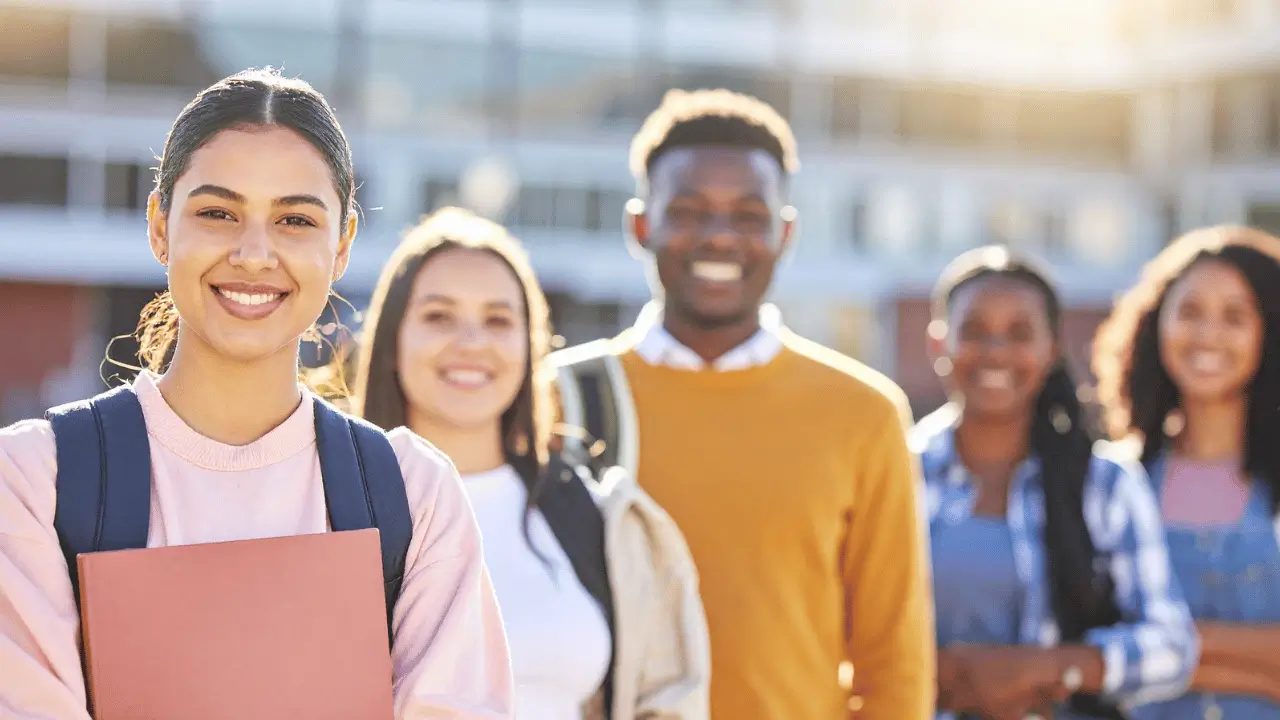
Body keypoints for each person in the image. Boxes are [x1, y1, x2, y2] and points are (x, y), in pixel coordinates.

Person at [0, 69, 513, 719]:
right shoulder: (34, 481)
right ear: (160, 225)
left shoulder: (413, 493)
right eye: (218, 213)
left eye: (295, 220)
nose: (253, 252)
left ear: (344, 243)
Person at [549, 88, 934, 720]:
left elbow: (895, 664)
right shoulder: (558, 396)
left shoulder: (865, 412)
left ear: (786, 233)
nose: (720, 237)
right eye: (690, 211)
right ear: (640, 226)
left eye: (749, 215)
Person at [349, 206, 710, 720]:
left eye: (498, 320)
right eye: (439, 317)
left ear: (530, 345)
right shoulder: (325, 502)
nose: (471, 342)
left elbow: (667, 701)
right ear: (390, 342)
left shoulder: (598, 516)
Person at [915, 245, 1198, 720]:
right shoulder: (894, 473)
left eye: (1019, 333)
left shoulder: (1105, 484)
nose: (996, 351)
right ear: (938, 343)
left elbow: (1172, 646)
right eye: (974, 331)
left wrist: (1047, 669)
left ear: (1050, 350)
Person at [1092, 226, 1280, 718]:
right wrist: (1263, 669)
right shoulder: (1113, 481)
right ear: (1157, 325)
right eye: (1190, 312)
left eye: (1235, 316)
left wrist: (1159, 650)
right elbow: (1081, 647)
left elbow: (1110, 656)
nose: (1208, 335)